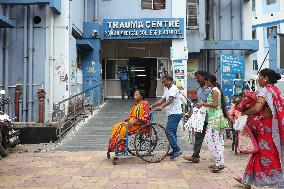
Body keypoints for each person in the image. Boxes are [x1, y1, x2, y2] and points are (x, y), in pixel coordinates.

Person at [234, 68, 284, 188]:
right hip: (272, 126)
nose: (258, 80)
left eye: (259, 77)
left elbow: (257, 109)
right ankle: (247, 180)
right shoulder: (275, 90)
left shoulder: (264, 91)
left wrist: (245, 112)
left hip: (265, 128)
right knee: (259, 153)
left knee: (265, 154)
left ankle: (275, 180)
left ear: (265, 78)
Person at [196, 73, 228, 173]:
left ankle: (220, 163)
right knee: (214, 140)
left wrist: (203, 104)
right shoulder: (214, 90)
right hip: (215, 118)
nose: (205, 83)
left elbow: (215, 104)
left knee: (214, 141)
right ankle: (218, 161)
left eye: (206, 81)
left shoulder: (214, 90)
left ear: (209, 81)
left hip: (215, 119)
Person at [107, 89, 150, 153]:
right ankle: (114, 145)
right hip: (132, 123)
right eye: (134, 94)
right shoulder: (137, 105)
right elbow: (133, 116)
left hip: (139, 125)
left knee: (122, 129)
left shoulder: (144, 103)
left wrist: (135, 121)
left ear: (141, 96)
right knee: (116, 126)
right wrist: (129, 120)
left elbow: (146, 117)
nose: (134, 96)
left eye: (136, 94)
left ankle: (119, 147)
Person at [150, 75, 183, 159]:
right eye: (162, 82)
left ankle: (177, 149)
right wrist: (152, 105)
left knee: (169, 131)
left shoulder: (174, 88)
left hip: (175, 113)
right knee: (173, 132)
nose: (163, 83)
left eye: (165, 81)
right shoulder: (166, 89)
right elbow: (162, 99)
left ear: (170, 81)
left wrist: (162, 107)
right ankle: (174, 150)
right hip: (171, 113)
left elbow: (170, 100)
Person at [183, 70, 211, 163]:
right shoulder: (199, 89)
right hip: (201, 117)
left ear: (204, 77)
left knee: (213, 137)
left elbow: (214, 103)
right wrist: (193, 111)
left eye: (198, 77)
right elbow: (198, 102)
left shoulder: (211, 89)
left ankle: (218, 157)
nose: (197, 79)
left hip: (211, 116)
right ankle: (195, 156)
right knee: (198, 135)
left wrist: (204, 105)